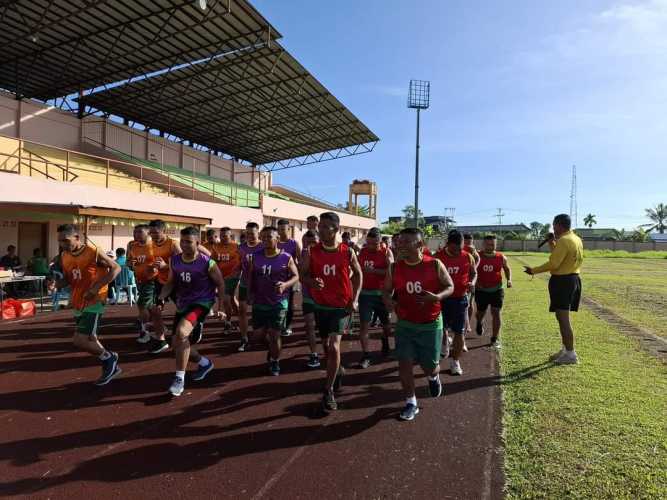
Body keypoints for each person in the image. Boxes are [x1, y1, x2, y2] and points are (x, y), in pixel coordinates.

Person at [383, 228, 454, 421]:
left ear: (420, 245)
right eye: (400, 242)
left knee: (429, 367)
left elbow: (450, 286)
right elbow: (386, 291)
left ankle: (433, 377)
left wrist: (437, 297)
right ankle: (411, 402)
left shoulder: (435, 265)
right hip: (405, 324)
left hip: (430, 324)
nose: (401, 245)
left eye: (407, 242)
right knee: (404, 363)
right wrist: (389, 301)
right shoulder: (394, 267)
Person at [302, 212, 362, 412]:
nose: (320, 230)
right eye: (320, 226)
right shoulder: (312, 251)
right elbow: (303, 275)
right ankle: (338, 371)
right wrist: (312, 281)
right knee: (326, 347)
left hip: (341, 306)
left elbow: (358, 274)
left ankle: (328, 391)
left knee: (334, 347)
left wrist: (354, 299)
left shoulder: (347, 251)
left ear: (336, 229)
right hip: (321, 305)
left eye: (326, 227)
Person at [157, 227, 225, 396]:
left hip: (202, 303)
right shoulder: (175, 261)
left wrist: (221, 308)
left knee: (181, 333)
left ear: (197, 243)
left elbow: (221, 284)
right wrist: (161, 298)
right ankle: (204, 363)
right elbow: (171, 282)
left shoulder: (207, 262)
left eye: (189, 242)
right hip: (183, 304)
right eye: (182, 241)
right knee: (175, 345)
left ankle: (179, 379)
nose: (185, 245)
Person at [56, 224, 121, 385]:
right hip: (79, 301)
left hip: (95, 300)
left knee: (79, 340)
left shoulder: (93, 251)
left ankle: (109, 358)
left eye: (65, 240)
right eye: (60, 241)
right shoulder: (64, 256)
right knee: (91, 338)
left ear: (77, 237)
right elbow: (70, 278)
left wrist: (96, 288)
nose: (62, 244)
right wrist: (57, 284)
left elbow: (116, 268)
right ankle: (111, 360)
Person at [524, 213, 583, 365]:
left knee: (563, 318)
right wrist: (552, 243)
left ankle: (570, 354)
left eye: (554, 225)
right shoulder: (575, 239)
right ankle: (566, 349)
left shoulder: (563, 240)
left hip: (563, 281)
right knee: (561, 316)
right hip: (573, 279)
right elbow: (560, 257)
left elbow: (554, 264)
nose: (553, 228)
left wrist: (533, 270)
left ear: (559, 224)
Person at [247, 226, 300, 375]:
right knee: (258, 335)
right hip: (260, 301)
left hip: (278, 302)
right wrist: (250, 293)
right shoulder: (255, 256)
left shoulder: (286, 257)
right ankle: (272, 349)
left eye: (269, 237)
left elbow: (296, 276)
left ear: (277, 239)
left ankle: (275, 362)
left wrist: (285, 285)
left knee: (274, 334)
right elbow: (251, 276)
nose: (265, 240)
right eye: (263, 237)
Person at [435, 230, 477, 376]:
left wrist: (472, 282)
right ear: (448, 244)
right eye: (455, 249)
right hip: (442, 299)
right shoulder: (437, 258)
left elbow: (474, 272)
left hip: (460, 299)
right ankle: (445, 345)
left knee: (459, 332)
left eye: (460, 248)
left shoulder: (467, 256)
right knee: (441, 329)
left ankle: (455, 362)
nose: (458, 251)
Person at [357, 227, 394, 367]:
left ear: (380, 241)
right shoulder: (363, 251)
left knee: (387, 327)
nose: (371, 246)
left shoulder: (386, 252)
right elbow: (358, 269)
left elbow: (391, 272)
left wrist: (374, 271)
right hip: (365, 294)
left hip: (382, 295)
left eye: (375, 244)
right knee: (364, 326)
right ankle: (366, 355)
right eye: (369, 243)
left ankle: (385, 340)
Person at [475, 235, 512, 348]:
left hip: (497, 289)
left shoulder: (501, 257)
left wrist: (509, 280)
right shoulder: (477, 256)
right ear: (483, 244)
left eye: (493, 244)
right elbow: (471, 271)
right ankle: (479, 322)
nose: (490, 246)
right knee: (481, 312)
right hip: (481, 290)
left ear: (495, 245)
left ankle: (494, 339)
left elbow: (506, 268)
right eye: (488, 244)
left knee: (496, 312)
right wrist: (475, 283)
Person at [127, 224, 159, 343]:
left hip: (151, 280)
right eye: (135, 232)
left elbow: (161, 261)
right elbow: (129, 262)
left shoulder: (153, 246)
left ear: (148, 233)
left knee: (142, 304)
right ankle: (159, 326)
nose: (136, 235)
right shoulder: (133, 246)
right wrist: (131, 263)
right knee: (151, 307)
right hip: (139, 280)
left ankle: (145, 332)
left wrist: (155, 267)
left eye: (139, 232)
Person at [237, 221, 263, 352]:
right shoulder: (241, 247)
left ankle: (262, 335)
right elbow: (238, 266)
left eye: (252, 233)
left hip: (260, 284)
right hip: (244, 282)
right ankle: (244, 338)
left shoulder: (264, 246)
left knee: (258, 312)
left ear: (258, 233)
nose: (249, 236)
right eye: (247, 233)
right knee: (242, 310)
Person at [277, 219, 302, 337]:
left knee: (289, 302)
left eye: (283, 229)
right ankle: (278, 325)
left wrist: (299, 276)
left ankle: (287, 326)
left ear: (288, 229)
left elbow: (300, 260)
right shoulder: (275, 242)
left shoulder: (294, 243)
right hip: (276, 277)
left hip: (290, 278)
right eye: (279, 229)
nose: (281, 231)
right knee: (277, 301)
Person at [301, 230, 322, 368]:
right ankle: (314, 354)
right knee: (309, 326)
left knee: (323, 329)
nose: (311, 245)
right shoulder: (304, 254)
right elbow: (301, 275)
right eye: (308, 242)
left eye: (313, 242)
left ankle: (331, 353)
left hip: (324, 297)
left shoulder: (326, 253)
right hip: (308, 295)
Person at [215, 227, 242, 333]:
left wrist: (237, 273)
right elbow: (213, 261)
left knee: (226, 299)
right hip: (220, 277)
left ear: (230, 236)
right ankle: (241, 318)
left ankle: (228, 322)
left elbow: (241, 262)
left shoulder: (237, 247)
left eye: (225, 236)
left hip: (233, 277)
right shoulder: (216, 247)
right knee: (232, 300)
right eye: (221, 236)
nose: (223, 238)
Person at [463, 234, 480, 335]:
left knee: (470, 302)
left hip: (470, 280)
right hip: (461, 279)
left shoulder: (473, 250)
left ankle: (468, 323)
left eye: (470, 242)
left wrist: (474, 267)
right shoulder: (459, 248)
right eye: (466, 242)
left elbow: (478, 259)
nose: (468, 244)